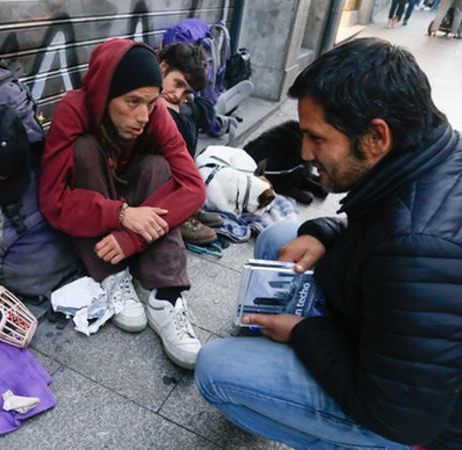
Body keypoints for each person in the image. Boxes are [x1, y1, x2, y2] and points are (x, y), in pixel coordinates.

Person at [195, 37, 462, 449]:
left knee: (216, 369)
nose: (304, 152)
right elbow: (381, 228)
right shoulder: (431, 153)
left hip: (409, 423)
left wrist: (304, 333)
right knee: (285, 235)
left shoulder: (420, 250)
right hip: (385, 333)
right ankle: (271, 343)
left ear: (376, 137)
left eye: (318, 139)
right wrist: (324, 233)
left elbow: (398, 415)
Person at [39, 38, 205, 369]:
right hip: (99, 201)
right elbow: (52, 198)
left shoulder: (156, 114)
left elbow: (194, 188)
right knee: (84, 148)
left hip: (136, 200)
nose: (143, 115)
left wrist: (132, 236)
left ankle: (166, 294)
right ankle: (111, 274)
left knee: (161, 166)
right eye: (132, 102)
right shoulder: (73, 110)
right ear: (105, 94)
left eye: (150, 102)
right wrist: (121, 215)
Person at [157, 42, 222, 245]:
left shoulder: (175, 99)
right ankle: (176, 212)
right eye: (177, 83)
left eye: (186, 91)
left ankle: (186, 203)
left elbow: (208, 114)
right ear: (163, 67)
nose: (177, 95)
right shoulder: (143, 90)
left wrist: (185, 104)